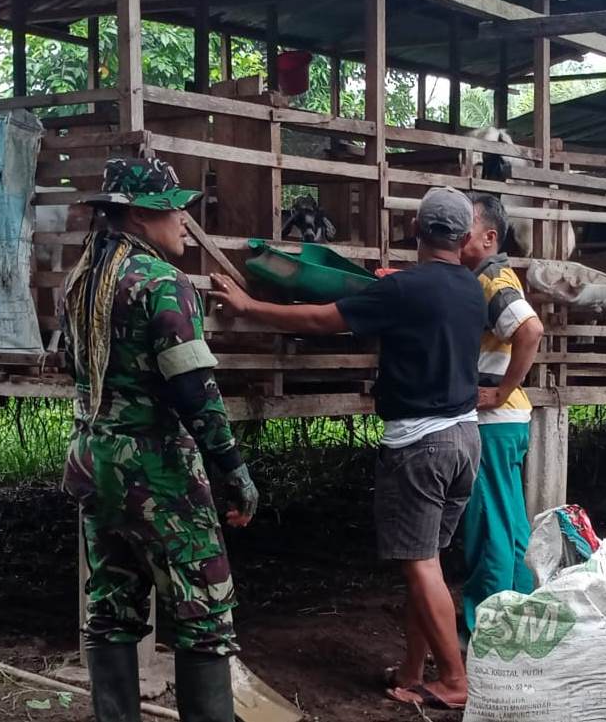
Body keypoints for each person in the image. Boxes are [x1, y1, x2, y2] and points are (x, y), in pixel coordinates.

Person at [208, 186, 484, 712]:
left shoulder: (405, 289)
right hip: (464, 439)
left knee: (421, 565)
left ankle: (453, 680)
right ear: (467, 237)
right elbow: (419, 306)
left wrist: (248, 305)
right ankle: (413, 670)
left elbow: (322, 319)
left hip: (420, 445)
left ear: (414, 230)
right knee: (427, 564)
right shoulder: (469, 288)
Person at [62, 157, 258, 722]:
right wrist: (232, 468)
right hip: (156, 469)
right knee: (204, 614)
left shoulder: (84, 280)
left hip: (96, 461)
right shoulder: (161, 284)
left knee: (112, 606)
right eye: (176, 210)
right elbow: (193, 388)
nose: (184, 222)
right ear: (145, 215)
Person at [458, 194, 544, 640]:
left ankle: (484, 624)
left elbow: (530, 329)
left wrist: (502, 389)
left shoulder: (493, 278)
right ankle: (518, 605)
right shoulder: (483, 276)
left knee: (487, 524)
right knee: (509, 522)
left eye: (465, 228)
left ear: (489, 238)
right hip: (509, 422)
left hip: (493, 421)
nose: (456, 233)